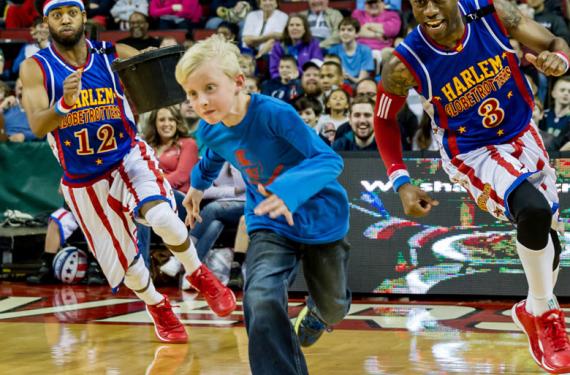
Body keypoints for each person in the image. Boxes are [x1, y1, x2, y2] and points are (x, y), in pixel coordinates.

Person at [19, 0, 236, 344]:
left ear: (83, 17)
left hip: (126, 156)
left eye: (70, 12)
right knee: (128, 266)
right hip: (83, 178)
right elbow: (35, 123)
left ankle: (197, 272)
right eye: (56, 14)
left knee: (163, 216)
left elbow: (161, 81)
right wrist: (63, 103)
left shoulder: (112, 53)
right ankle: (157, 306)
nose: (65, 20)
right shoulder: (36, 68)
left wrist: (165, 62)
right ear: (47, 22)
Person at [374, 0, 570, 372]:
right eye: (418, 2)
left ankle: (532, 309)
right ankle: (544, 313)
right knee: (534, 210)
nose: (429, 9)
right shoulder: (404, 62)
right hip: (473, 151)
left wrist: (560, 61)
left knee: (549, 243)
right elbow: (384, 120)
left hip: (524, 134)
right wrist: (401, 180)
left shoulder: (492, 13)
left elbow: (554, 44)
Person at [175, 34, 351, 375]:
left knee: (334, 307)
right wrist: (196, 188)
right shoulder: (210, 130)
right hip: (269, 223)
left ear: (239, 82)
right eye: (192, 94)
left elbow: (329, 161)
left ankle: (318, 314)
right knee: (260, 296)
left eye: (210, 88)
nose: (201, 101)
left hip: (321, 218)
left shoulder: (275, 114)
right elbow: (213, 155)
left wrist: (286, 191)